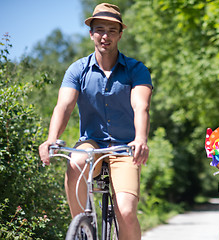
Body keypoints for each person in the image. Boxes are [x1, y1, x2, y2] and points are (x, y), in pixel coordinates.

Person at [38, 3, 152, 240]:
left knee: (127, 212)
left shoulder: (136, 69)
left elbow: (141, 106)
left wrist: (140, 138)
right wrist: (51, 139)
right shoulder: (77, 70)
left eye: (112, 30)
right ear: (91, 34)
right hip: (92, 144)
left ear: (120, 34)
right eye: (100, 30)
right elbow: (64, 105)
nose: (105, 36)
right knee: (76, 160)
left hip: (125, 147)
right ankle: (81, 229)